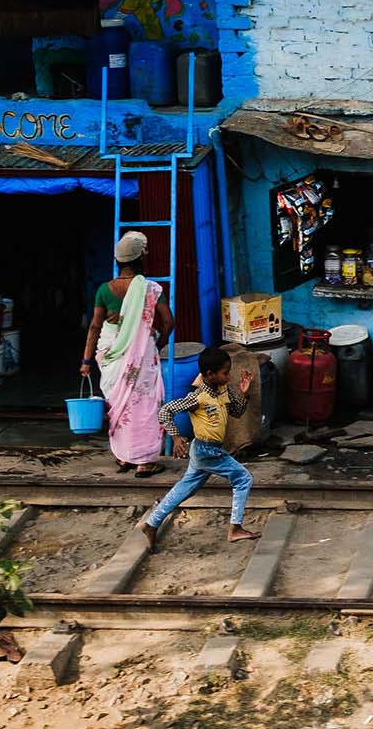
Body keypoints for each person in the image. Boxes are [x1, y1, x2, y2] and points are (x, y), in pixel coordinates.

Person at [138, 346, 257, 549]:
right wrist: (176, 438)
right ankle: (235, 528)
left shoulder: (223, 390)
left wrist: (244, 394)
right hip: (207, 451)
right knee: (243, 478)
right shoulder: (198, 397)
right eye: (225, 373)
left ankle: (151, 523)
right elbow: (165, 411)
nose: (228, 377)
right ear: (210, 374)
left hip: (205, 451)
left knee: (185, 488)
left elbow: (236, 412)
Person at [82, 230, 173, 477]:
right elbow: (168, 322)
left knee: (119, 405)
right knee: (145, 405)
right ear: (140, 259)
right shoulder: (152, 289)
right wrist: (157, 344)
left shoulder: (104, 290)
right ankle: (144, 461)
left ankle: (124, 458)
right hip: (142, 357)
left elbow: (95, 326)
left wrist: (86, 360)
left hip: (111, 354)